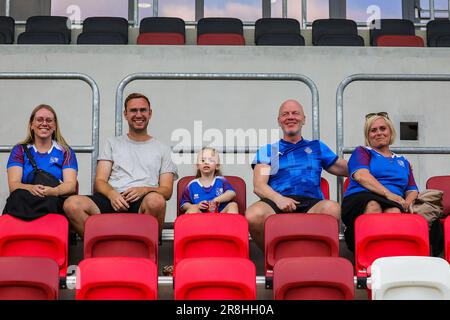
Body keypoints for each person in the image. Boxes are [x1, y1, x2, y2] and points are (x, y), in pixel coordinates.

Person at [63, 93, 178, 239]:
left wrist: (144, 190)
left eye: (143, 110)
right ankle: (101, 250)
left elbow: (166, 191)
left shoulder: (162, 148)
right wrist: (112, 194)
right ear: (125, 114)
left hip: (143, 201)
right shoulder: (112, 143)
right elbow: (99, 182)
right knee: (72, 204)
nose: (138, 114)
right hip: (112, 198)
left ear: (150, 113)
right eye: (133, 110)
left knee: (156, 201)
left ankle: (144, 254)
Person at [245, 99, 348, 250]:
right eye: (285, 114)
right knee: (254, 215)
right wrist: (279, 199)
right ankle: (275, 255)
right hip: (277, 202)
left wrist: (370, 160)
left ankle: (314, 255)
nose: (290, 117)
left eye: (295, 113)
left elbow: (350, 169)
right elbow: (259, 186)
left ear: (304, 119)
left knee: (332, 208)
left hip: (312, 202)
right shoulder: (269, 150)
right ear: (279, 121)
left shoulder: (316, 147)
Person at [341, 112, 419, 251]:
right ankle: (367, 254)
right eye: (373, 130)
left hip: (394, 201)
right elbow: (361, 176)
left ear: (390, 132)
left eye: (383, 128)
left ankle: (386, 254)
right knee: (373, 205)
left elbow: (412, 189)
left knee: (394, 210)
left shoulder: (403, 161)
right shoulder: (363, 151)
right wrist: (389, 194)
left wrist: (408, 202)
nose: (378, 133)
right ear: (368, 135)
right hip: (362, 196)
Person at [3, 104, 78, 219]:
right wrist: (31, 189)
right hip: (26, 199)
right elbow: (14, 185)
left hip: (53, 200)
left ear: (54, 126)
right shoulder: (19, 150)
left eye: (49, 120)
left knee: (52, 202)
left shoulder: (65, 151)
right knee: (16, 196)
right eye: (39, 119)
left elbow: (71, 185)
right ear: (31, 125)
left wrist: (53, 191)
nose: (44, 123)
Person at [180, 147, 239, 214]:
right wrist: (196, 206)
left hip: (220, 217)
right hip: (200, 218)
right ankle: (197, 224)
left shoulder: (221, 180)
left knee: (233, 205)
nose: (206, 163)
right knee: (193, 210)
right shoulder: (192, 185)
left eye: (211, 160)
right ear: (197, 166)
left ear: (217, 166)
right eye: (202, 160)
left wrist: (215, 200)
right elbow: (183, 204)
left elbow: (231, 193)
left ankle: (230, 224)